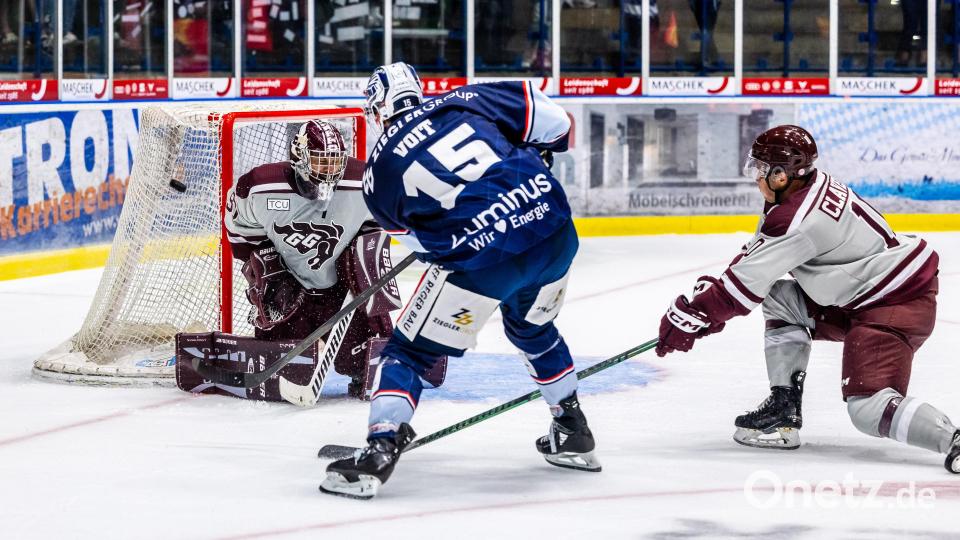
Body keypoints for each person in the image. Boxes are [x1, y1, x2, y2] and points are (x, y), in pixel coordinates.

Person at [320, 62, 594, 499]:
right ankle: (572, 428)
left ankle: (380, 447)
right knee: (532, 327)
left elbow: (420, 245)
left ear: (376, 111)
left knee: (407, 352)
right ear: (420, 91)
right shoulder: (468, 98)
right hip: (555, 231)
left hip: (485, 261)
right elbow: (559, 124)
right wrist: (539, 158)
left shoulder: (376, 177)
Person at [655, 124, 960, 474]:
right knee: (781, 298)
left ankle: (952, 437)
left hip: (893, 303)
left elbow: (740, 289)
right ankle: (784, 408)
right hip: (866, 294)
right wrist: (704, 310)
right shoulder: (801, 192)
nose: (755, 177)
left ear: (782, 175)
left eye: (760, 169)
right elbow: (755, 263)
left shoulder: (796, 219)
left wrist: (693, 316)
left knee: (868, 409)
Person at [221, 119, 403, 398]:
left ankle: (373, 362)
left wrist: (361, 256)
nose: (331, 170)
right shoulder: (259, 186)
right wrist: (266, 265)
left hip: (341, 287)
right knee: (283, 367)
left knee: (360, 359)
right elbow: (239, 232)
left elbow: (382, 222)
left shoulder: (364, 181)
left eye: (336, 161)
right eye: (321, 161)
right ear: (300, 158)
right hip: (288, 284)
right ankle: (276, 339)